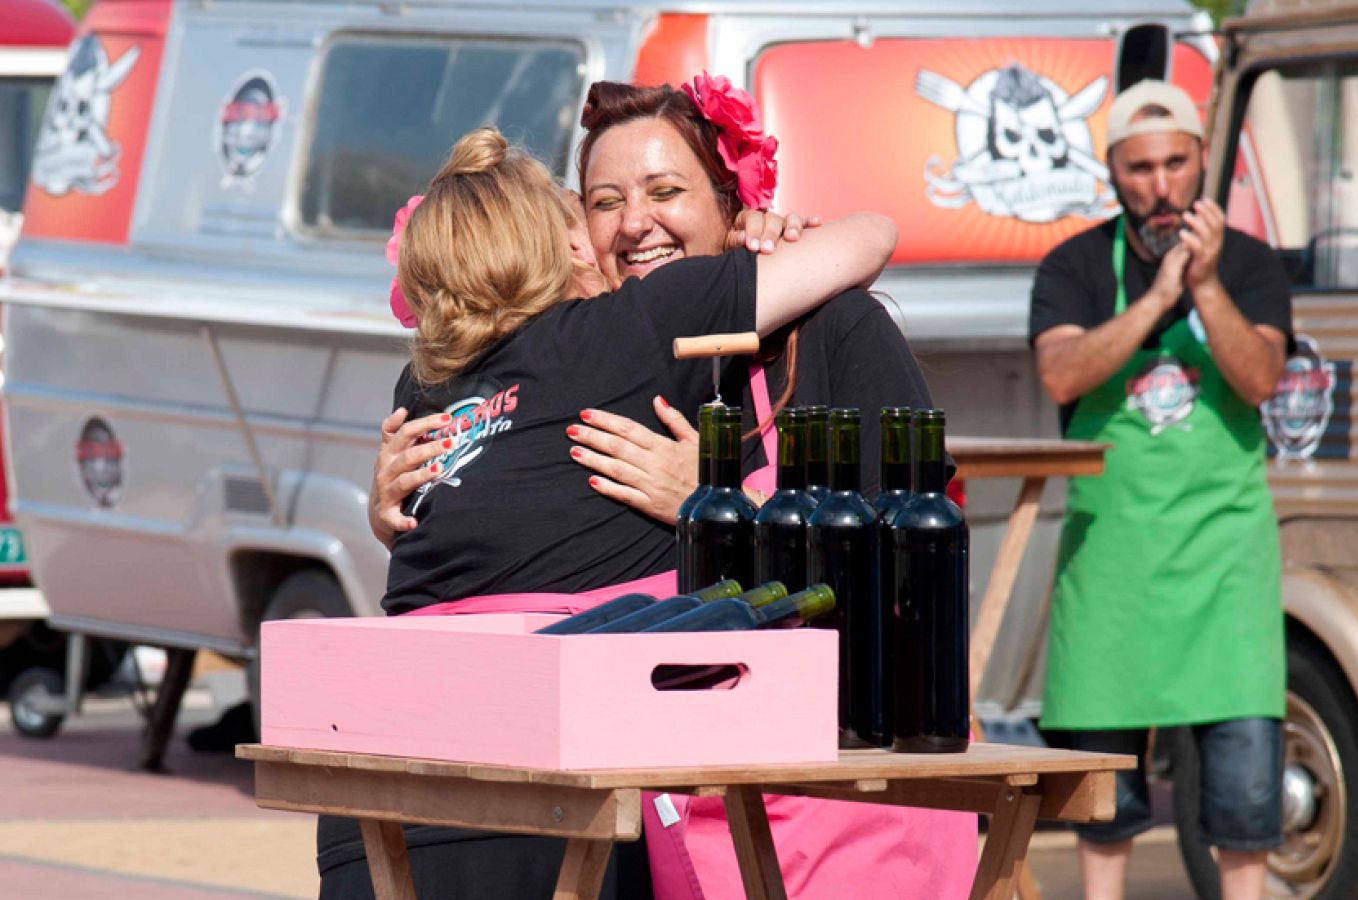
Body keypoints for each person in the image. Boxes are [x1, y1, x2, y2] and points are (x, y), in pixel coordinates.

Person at [366, 78, 976, 900]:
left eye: (666, 191)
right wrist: (396, 512)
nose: (634, 223)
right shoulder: (596, 353)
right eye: (604, 200)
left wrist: (724, 512)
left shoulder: (831, 330)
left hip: (842, 782)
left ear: (734, 204)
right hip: (671, 812)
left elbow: (909, 571)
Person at [1028, 80, 1292, 900]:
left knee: (1245, 801)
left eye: (1176, 162)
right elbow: (1062, 370)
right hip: (1114, 567)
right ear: (1113, 172)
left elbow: (1260, 380)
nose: (1161, 184)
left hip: (1224, 568)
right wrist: (1157, 300)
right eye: (1140, 167)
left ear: (1202, 161)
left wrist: (1205, 286)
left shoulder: (1249, 264)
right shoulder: (1073, 265)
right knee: (1103, 805)